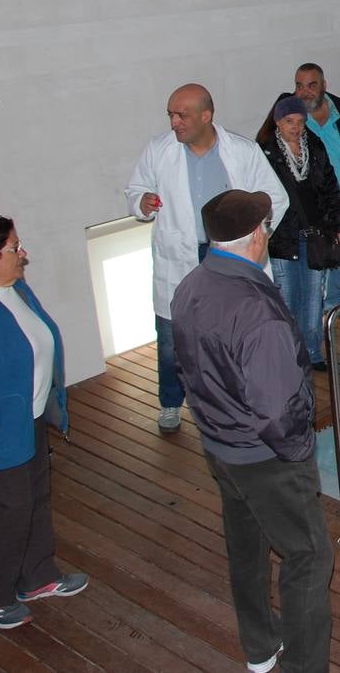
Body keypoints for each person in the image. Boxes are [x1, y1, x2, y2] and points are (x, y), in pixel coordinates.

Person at [171, 190, 333, 673]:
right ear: (258, 235)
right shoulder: (255, 311)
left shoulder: (191, 286)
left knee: (246, 546)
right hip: (265, 457)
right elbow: (276, 410)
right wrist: (299, 452)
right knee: (308, 557)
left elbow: (190, 369)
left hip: (220, 446)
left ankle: (260, 648)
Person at [125, 84, 289, 434]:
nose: (174, 122)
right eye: (170, 114)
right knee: (172, 336)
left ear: (206, 115)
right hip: (180, 256)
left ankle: (238, 396)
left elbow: (274, 196)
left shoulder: (242, 151)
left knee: (235, 330)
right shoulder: (158, 150)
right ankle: (171, 402)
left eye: (181, 114)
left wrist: (256, 235)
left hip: (229, 255)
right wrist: (142, 203)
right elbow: (135, 190)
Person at [0, 215, 88, 630]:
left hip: (26, 420)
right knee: (11, 512)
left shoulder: (14, 287)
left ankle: (37, 577)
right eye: (14, 248)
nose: (22, 253)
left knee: (36, 500)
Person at [259, 63, 340, 312]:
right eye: (299, 85)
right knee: (310, 264)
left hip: (339, 194)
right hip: (308, 212)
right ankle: (319, 305)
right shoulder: (291, 116)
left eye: (311, 85)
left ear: (324, 86)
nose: (304, 91)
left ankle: (334, 299)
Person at [257, 96, 340, 372]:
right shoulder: (265, 153)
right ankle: (289, 354)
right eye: (290, 122)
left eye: (300, 122)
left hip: (314, 236)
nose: (296, 128)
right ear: (278, 122)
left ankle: (311, 351)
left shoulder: (315, 147)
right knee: (286, 299)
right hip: (282, 238)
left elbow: (332, 189)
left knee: (313, 297)